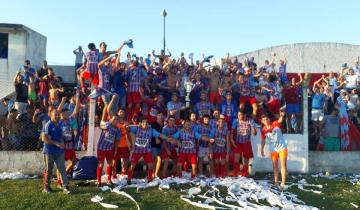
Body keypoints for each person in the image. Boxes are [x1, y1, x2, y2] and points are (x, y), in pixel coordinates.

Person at [127, 116, 174, 184]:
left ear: (148, 123)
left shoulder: (151, 130)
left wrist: (167, 138)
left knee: (151, 165)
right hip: (137, 151)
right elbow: (128, 128)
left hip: (147, 151)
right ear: (140, 123)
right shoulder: (137, 128)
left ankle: (149, 178)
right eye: (143, 122)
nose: (145, 124)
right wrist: (127, 127)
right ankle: (128, 179)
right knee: (132, 165)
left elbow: (160, 135)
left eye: (146, 122)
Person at [42, 109, 70, 194]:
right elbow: (44, 139)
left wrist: (63, 142)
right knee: (48, 170)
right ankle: (46, 188)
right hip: (49, 151)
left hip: (59, 152)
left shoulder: (60, 124)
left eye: (58, 114)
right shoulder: (48, 125)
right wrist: (56, 143)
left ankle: (65, 186)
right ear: (50, 115)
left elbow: (61, 135)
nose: (57, 116)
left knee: (62, 169)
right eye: (55, 114)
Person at [55, 96, 80, 187]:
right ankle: (59, 182)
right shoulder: (58, 122)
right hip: (62, 146)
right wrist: (62, 101)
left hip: (70, 145)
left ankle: (64, 174)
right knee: (60, 164)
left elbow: (75, 111)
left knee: (74, 162)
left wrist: (77, 101)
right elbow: (57, 111)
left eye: (66, 112)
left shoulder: (70, 120)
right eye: (64, 112)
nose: (65, 114)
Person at [96, 95, 121, 187]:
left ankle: (109, 180)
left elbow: (117, 141)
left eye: (117, 120)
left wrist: (115, 150)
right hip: (101, 148)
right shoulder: (106, 125)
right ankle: (98, 181)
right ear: (111, 119)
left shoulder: (118, 130)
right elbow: (105, 112)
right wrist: (111, 100)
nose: (115, 120)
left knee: (110, 164)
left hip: (110, 149)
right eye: (114, 119)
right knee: (100, 164)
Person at [260, 112, 287, 190]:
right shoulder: (263, 130)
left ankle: (282, 183)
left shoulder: (275, 124)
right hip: (273, 149)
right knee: (275, 166)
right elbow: (263, 140)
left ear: (269, 119)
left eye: (267, 119)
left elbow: (280, 120)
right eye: (264, 120)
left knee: (282, 165)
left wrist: (281, 115)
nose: (266, 121)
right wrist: (262, 149)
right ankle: (276, 182)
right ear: (262, 121)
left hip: (282, 147)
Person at [231, 111, 257, 177]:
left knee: (246, 159)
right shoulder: (236, 121)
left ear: (244, 115)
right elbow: (232, 131)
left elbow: (255, 133)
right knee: (236, 158)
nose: (239, 116)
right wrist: (231, 140)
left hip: (246, 142)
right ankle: (235, 174)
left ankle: (245, 174)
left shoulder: (250, 121)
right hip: (238, 142)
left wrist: (254, 131)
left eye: (240, 115)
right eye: (238, 115)